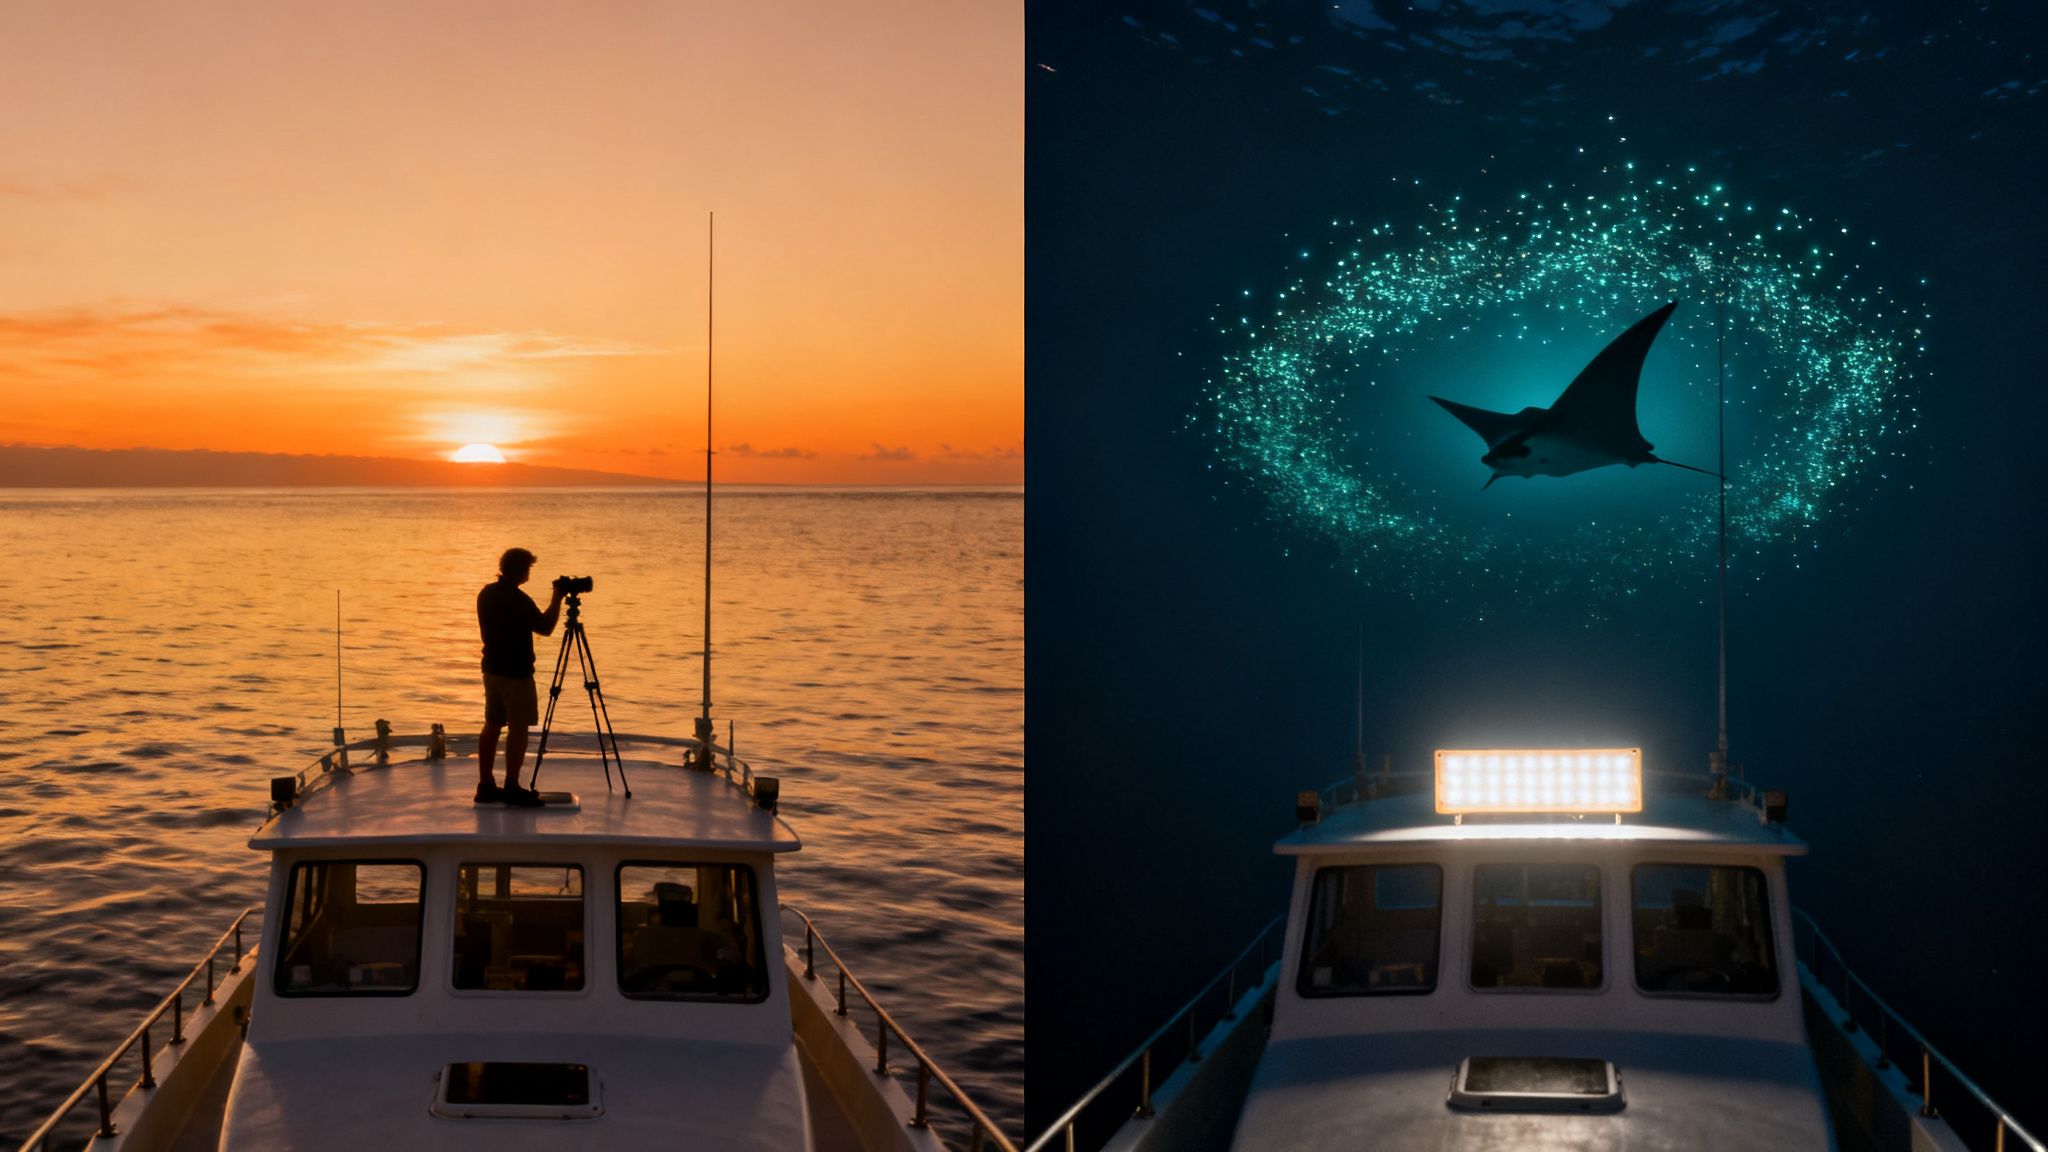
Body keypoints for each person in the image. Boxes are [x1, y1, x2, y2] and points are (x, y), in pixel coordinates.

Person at [476, 547, 564, 806]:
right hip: (517, 674)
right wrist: (557, 598)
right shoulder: (518, 600)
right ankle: (512, 786)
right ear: (520, 569)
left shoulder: (486, 594)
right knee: (518, 729)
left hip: (491, 670)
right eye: (528, 568)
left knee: (492, 724)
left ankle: (486, 785)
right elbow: (546, 627)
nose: (529, 573)